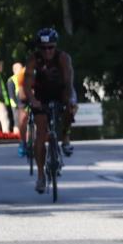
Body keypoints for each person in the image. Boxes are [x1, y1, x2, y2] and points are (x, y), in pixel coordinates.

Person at [22, 27, 77, 193]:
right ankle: (40, 176)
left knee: (71, 108)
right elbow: (27, 83)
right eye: (43, 48)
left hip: (61, 91)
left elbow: (68, 82)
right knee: (41, 133)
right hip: (42, 95)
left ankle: (66, 136)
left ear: (55, 46)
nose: (47, 51)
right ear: (39, 48)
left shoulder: (63, 58)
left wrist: (68, 101)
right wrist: (32, 100)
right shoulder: (33, 59)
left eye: (51, 47)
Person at [7, 62, 24, 141]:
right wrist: (17, 104)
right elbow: (11, 94)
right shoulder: (11, 79)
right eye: (20, 68)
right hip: (16, 105)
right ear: (15, 70)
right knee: (17, 122)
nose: (22, 70)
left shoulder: (23, 77)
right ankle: (16, 137)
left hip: (23, 104)